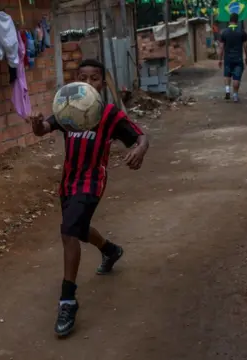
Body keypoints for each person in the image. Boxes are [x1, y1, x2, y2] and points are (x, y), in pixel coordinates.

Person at [27, 59, 150, 337]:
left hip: (92, 182)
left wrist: (139, 151)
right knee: (78, 229)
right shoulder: (68, 108)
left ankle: (67, 300)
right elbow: (44, 129)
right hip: (69, 181)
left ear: (102, 84)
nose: (88, 83)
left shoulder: (109, 114)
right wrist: (36, 125)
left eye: (94, 78)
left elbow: (140, 138)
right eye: (82, 77)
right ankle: (110, 250)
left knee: (69, 232)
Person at [218, 13, 247, 103]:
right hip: (238, 59)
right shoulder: (242, 32)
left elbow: (221, 47)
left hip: (227, 59)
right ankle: (235, 95)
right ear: (237, 21)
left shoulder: (224, 32)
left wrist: (220, 60)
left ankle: (227, 91)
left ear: (229, 20)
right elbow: (246, 46)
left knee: (227, 74)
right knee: (236, 78)